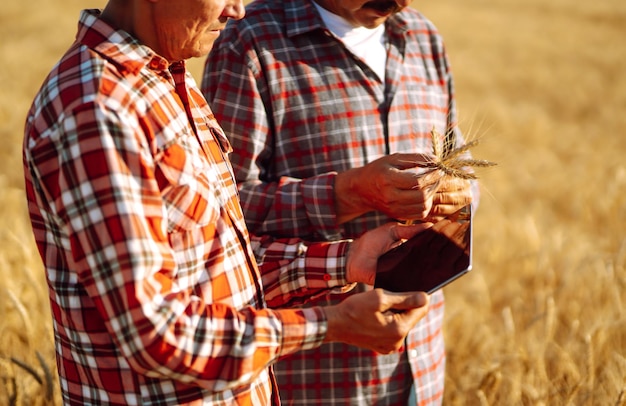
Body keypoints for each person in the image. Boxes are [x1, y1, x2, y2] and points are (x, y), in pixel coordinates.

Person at [22, 1, 436, 405]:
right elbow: (155, 332)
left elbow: (215, 262)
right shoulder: (98, 110)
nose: (237, 9)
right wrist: (331, 323)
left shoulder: (166, 78)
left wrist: (346, 262)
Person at [201, 0, 480, 404]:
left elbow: (458, 159)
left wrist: (458, 190)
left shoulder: (422, 37)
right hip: (316, 373)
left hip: (420, 369)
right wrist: (349, 193)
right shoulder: (249, 42)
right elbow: (219, 213)